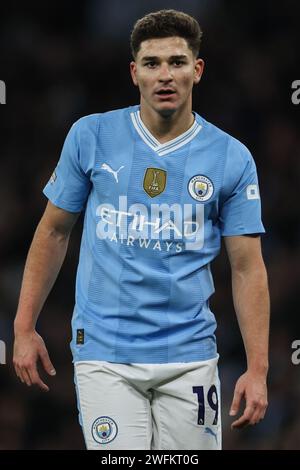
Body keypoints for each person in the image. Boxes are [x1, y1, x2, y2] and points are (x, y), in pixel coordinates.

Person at [13, 9, 270, 450]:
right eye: (152, 63)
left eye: (177, 62)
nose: (165, 75)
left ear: (198, 70)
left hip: (190, 356)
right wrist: (23, 327)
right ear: (135, 73)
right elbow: (53, 232)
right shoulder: (90, 135)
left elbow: (247, 267)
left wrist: (258, 369)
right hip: (104, 353)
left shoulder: (232, 158)